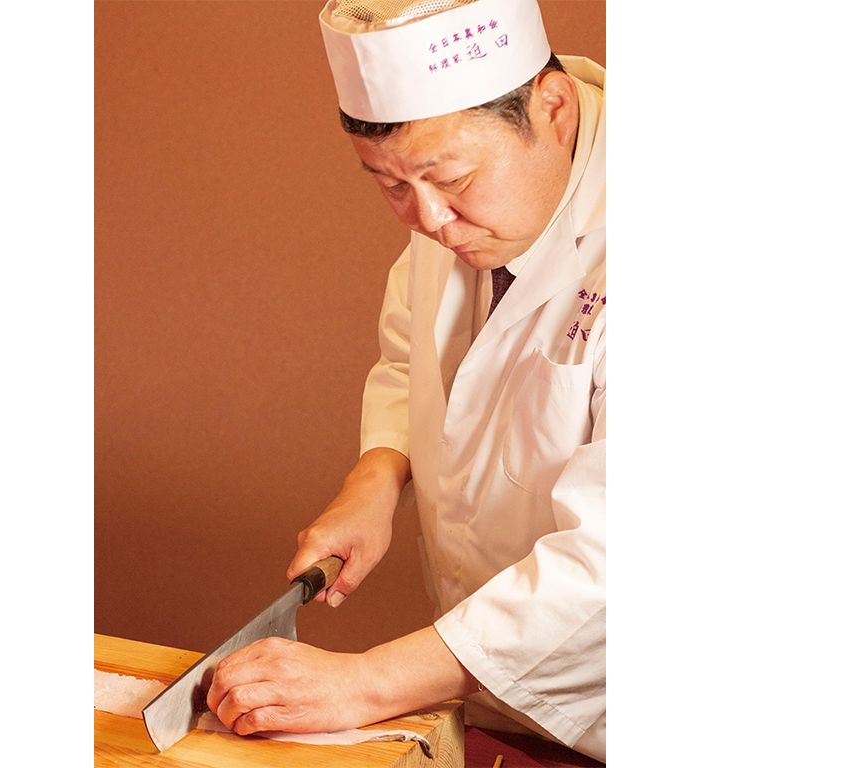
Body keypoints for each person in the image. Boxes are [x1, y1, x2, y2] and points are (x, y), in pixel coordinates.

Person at [206, 0, 606, 761]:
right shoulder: (466, 210)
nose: (425, 218)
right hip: (508, 702)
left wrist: (369, 684)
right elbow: (412, 355)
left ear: (550, 108)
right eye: (389, 185)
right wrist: (377, 476)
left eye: (448, 176)